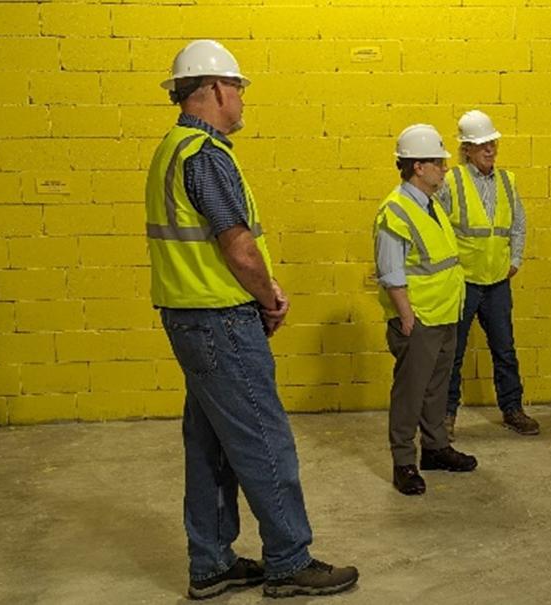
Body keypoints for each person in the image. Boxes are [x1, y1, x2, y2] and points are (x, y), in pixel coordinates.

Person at [145, 39, 358, 599]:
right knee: (264, 440)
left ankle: (211, 563)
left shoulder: (172, 148)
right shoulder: (207, 156)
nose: (241, 99)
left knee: (211, 442)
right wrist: (268, 296)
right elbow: (238, 249)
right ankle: (289, 560)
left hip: (189, 317)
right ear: (215, 89)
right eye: (238, 88)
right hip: (220, 320)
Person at [374, 123, 479, 496]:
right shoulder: (396, 211)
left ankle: (435, 448)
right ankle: (404, 461)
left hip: (445, 313)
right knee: (410, 392)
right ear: (418, 166)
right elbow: (391, 271)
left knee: (436, 387)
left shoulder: (431, 204)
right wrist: (406, 317)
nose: (445, 168)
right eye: (438, 162)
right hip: (417, 319)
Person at [437, 110, 539, 441]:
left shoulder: (507, 181)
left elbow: (519, 223)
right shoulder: (450, 182)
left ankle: (512, 409)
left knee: (505, 349)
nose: (490, 150)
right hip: (463, 282)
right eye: (482, 145)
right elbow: (434, 226)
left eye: (492, 144)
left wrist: (516, 258)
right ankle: (446, 414)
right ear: (466, 149)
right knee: (453, 353)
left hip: (497, 282)